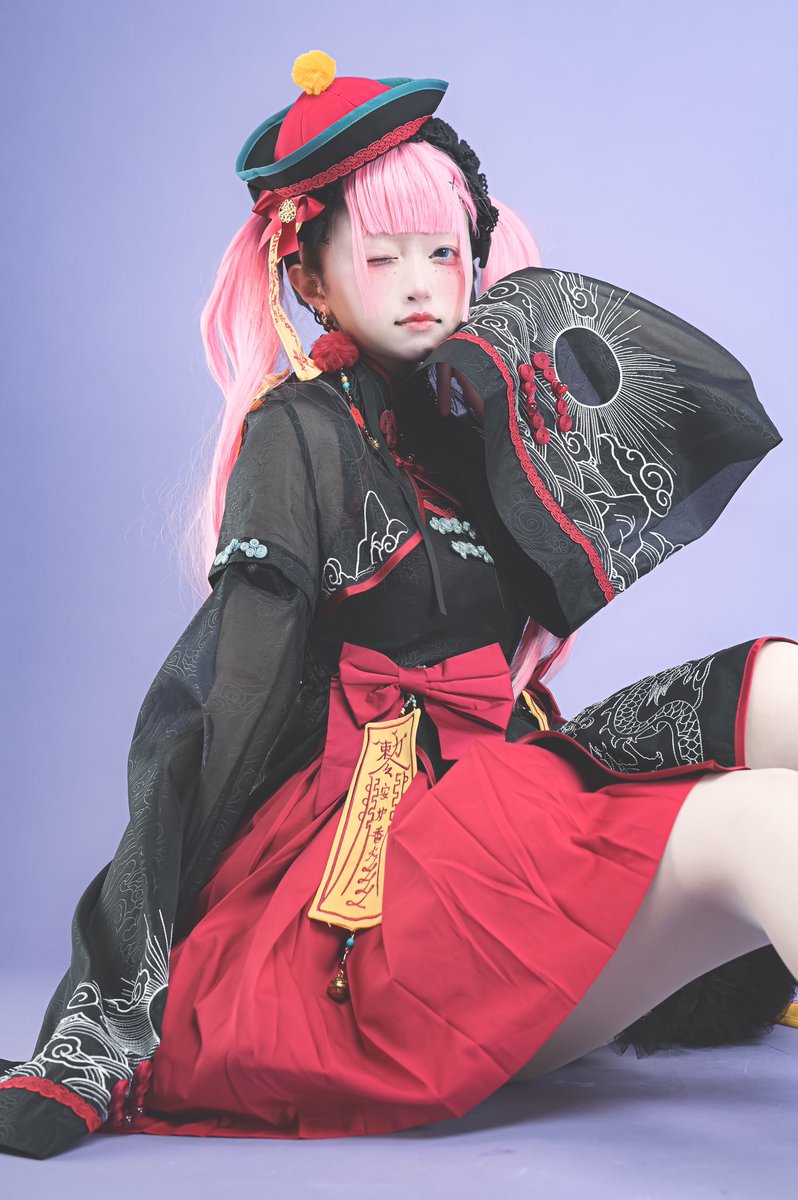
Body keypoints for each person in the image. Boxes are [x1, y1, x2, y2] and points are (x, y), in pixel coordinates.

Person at [1, 50, 796, 1160]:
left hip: (504, 792)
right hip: (384, 881)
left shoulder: (475, 422)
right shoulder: (298, 435)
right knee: (763, 821)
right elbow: (220, 706)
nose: (422, 280)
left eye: (446, 252)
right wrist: (108, 1000)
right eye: (382, 256)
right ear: (313, 280)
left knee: (780, 681)